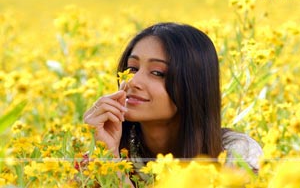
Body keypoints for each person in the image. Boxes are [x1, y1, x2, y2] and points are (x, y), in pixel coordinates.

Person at [83, 22, 263, 177]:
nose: (133, 81)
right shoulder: (108, 148)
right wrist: (106, 156)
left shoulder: (237, 154)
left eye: (157, 73)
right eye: (132, 68)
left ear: (193, 86)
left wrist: (116, 171)